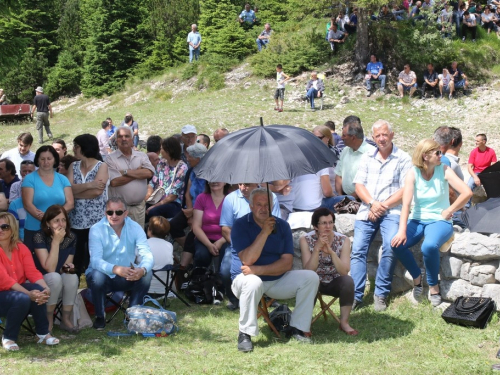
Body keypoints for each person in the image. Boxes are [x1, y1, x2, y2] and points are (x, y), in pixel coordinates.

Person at [231, 188, 319, 351]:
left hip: (276, 279)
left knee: (310, 277)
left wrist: (257, 269)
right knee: (253, 282)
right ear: (251, 206)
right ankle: (245, 333)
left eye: (267, 205)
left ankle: (297, 327)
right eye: (259, 204)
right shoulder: (240, 225)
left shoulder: (282, 226)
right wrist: (264, 232)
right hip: (245, 281)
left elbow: (286, 264)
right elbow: (247, 259)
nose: (264, 208)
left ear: (273, 206)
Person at [391, 139, 472, 306]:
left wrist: (450, 210)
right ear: (425, 156)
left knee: (428, 246)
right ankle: (416, 276)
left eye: (440, 152)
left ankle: (434, 287)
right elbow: (406, 204)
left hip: (439, 221)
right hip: (417, 219)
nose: (441, 155)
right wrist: (402, 230)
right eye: (437, 153)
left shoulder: (444, 169)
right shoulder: (413, 173)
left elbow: (467, 192)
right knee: (396, 244)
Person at [351, 120, 412, 311]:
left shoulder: (403, 158)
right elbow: (358, 185)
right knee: (358, 249)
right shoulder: (368, 156)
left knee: (390, 246)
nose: (381, 139)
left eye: (384, 134)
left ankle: (380, 293)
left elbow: (406, 189)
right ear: (373, 137)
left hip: (392, 210)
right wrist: (371, 203)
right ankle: (355, 295)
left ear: (392, 135)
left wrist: (382, 205)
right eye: (377, 136)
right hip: (368, 208)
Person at [86, 197, 153, 330]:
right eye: (110, 212)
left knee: (147, 274)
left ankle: (132, 315)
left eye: (118, 212)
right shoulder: (96, 229)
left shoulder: (135, 227)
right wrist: (115, 269)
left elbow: (147, 254)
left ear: (126, 213)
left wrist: (142, 269)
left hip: (126, 276)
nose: (114, 216)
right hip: (102, 277)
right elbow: (95, 260)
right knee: (96, 275)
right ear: (105, 213)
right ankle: (100, 316)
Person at [0, 212, 59, 351]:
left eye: (4, 226)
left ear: (13, 228)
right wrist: (28, 293)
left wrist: (45, 288)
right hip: (3, 293)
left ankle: (42, 334)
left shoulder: (21, 248)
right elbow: (4, 279)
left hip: (15, 290)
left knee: (37, 290)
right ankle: (8, 337)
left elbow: (32, 272)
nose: (0, 230)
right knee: (23, 298)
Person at [221, 183, 281, 310]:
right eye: (240, 184)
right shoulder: (230, 199)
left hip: (266, 242)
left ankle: (268, 296)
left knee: (269, 260)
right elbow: (226, 229)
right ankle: (234, 298)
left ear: (256, 183)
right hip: (238, 244)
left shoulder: (271, 198)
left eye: (247, 184)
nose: (242, 187)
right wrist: (239, 245)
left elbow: (276, 224)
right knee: (225, 269)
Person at [300, 208, 357, 335]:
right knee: (310, 279)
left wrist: (331, 252)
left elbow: (344, 271)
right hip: (315, 280)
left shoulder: (343, 240)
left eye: (330, 222)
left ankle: (344, 323)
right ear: (315, 226)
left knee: (348, 281)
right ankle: (304, 324)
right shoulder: (305, 240)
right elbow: (308, 270)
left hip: (335, 280)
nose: (328, 226)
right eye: (323, 223)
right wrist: (317, 249)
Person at [67, 134, 109, 276]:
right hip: (75, 221)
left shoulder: (101, 166)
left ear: (85, 147)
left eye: (76, 146)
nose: (73, 149)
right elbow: (68, 189)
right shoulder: (73, 165)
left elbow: (97, 192)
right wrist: (90, 184)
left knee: (95, 256)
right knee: (75, 257)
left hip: (95, 221)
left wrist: (75, 193)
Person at [33, 205, 79, 333]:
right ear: (48, 223)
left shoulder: (71, 237)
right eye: (56, 220)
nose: (61, 224)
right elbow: (49, 268)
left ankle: (66, 319)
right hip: (40, 280)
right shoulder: (39, 236)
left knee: (71, 277)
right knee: (54, 277)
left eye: (63, 220)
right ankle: (48, 319)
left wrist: (68, 267)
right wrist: (56, 242)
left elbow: (63, 268)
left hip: (56, 278)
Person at [21, 146, 74, 253]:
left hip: (59, 229)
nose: (46, 162)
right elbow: (27, 204)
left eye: (49, 159)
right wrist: (47, 220)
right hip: (34, 228)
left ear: (55, 160)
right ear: (37, 160)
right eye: (42, 159)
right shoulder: (29, 179)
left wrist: (53, 220)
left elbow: (70, 203)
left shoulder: (62, 179)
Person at [106, 126, 155, 229]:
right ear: (116, 140)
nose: (123, 139)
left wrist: (125, 172)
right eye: (120, 136)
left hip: (139, 208)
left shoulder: (141, 156)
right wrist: (138, 172)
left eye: (127, 136)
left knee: (137, 240)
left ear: (132, 139)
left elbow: (149, 173)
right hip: (119, 211)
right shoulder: (110, 159)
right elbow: (114, 182)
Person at [169, 144, 207, 267]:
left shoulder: (209, 174)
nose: (188, 159)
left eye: (190, 157)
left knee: (193, 234)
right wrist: (190, 212)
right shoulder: (192, 171)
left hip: (204, 210)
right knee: (174, 225)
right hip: (191, 208)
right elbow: (187, 195)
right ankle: (191, 255)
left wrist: (194, 213)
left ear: (199, 159)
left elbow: (209, 199)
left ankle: (185, 266)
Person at [145, 137, 188, 221]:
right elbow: (153, 182)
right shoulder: (162, 162)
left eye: (162, 149)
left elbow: (174, 195)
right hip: (157, 198)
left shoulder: (182, 168)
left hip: (173, 203)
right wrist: (146, 198)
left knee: (153, 211)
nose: (160, 151)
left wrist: (155, 206)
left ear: (169, 151)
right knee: (140, 209)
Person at [335, 119, 376, 200]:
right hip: (344, 198)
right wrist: (340, 196)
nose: (341, 138)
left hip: (363, 200)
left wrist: (351, 199)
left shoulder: (371, 153)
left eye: (344, 135)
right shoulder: (345, 150)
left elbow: (369, 182)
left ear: (353, 138)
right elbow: (339, 174)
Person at [192, 182, 229, 271]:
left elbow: (235, 226)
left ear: (225, 182)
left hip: (225, 238)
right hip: (204, 238)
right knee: (201, 255)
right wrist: (209, 245)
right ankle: (199, 281)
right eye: (211, 179)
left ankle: (222, 282)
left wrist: (220, 242)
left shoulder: (231, 199)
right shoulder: (201, 198)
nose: (214, 182)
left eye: (217, 179)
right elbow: (196, 226)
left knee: (226, 257)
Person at [145, 216, 173, 295]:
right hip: (164, 290)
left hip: (143, 289)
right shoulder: (169, 245)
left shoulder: (142, 244)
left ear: (149, 230)